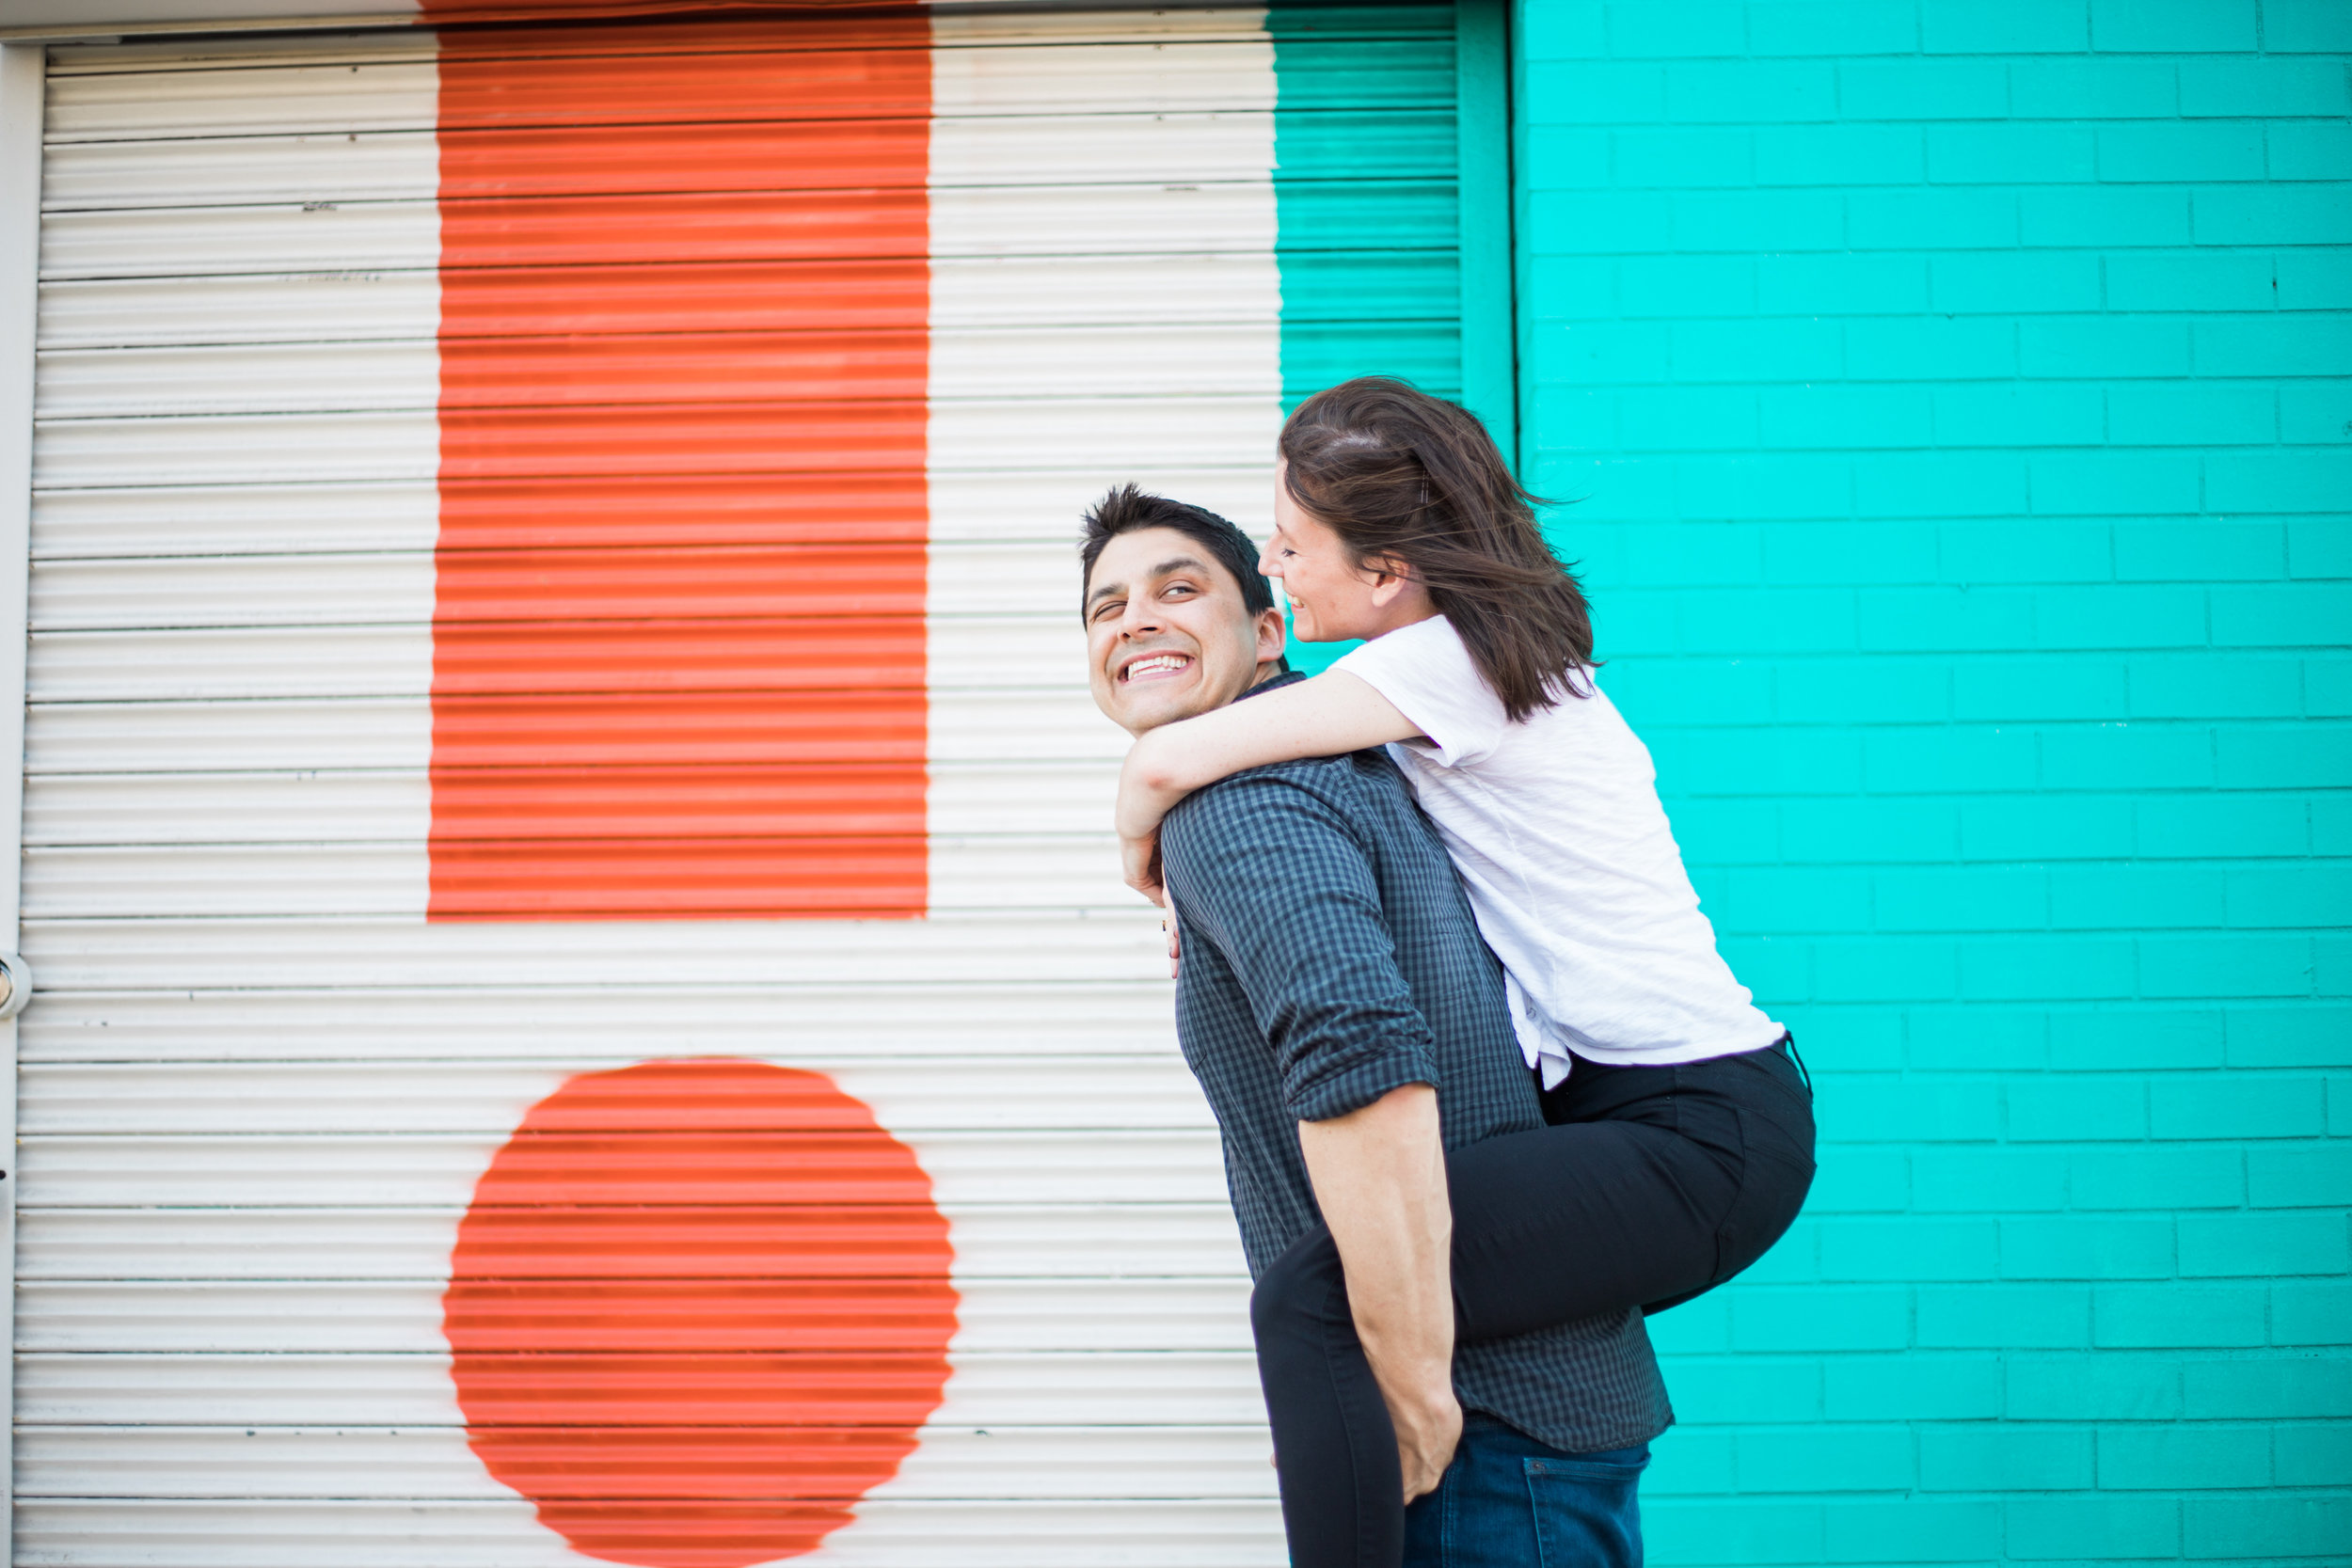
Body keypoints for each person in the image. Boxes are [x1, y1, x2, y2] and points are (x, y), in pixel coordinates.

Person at [1110, 378, 1818, 1568]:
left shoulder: (1435, 666)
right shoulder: (1479, 659)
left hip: (1695, 1129)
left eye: (1288, 544)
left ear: (1384, 572)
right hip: (1681, 1112)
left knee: (1316, 1301)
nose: (1279, 566)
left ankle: (1415, 1455)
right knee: (1340, 1288)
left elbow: (1174, 759)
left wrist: (1143, 850)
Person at [1080, 482, 1672, 1568]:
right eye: (1105, 607)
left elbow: (1360, 1058)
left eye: (1177, 588)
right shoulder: (1354, 759)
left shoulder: (1239, 798)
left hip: (1477, 1428)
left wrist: (1409, 1395)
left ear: (1266, 631)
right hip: (1540, 1408)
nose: (1135, 621)